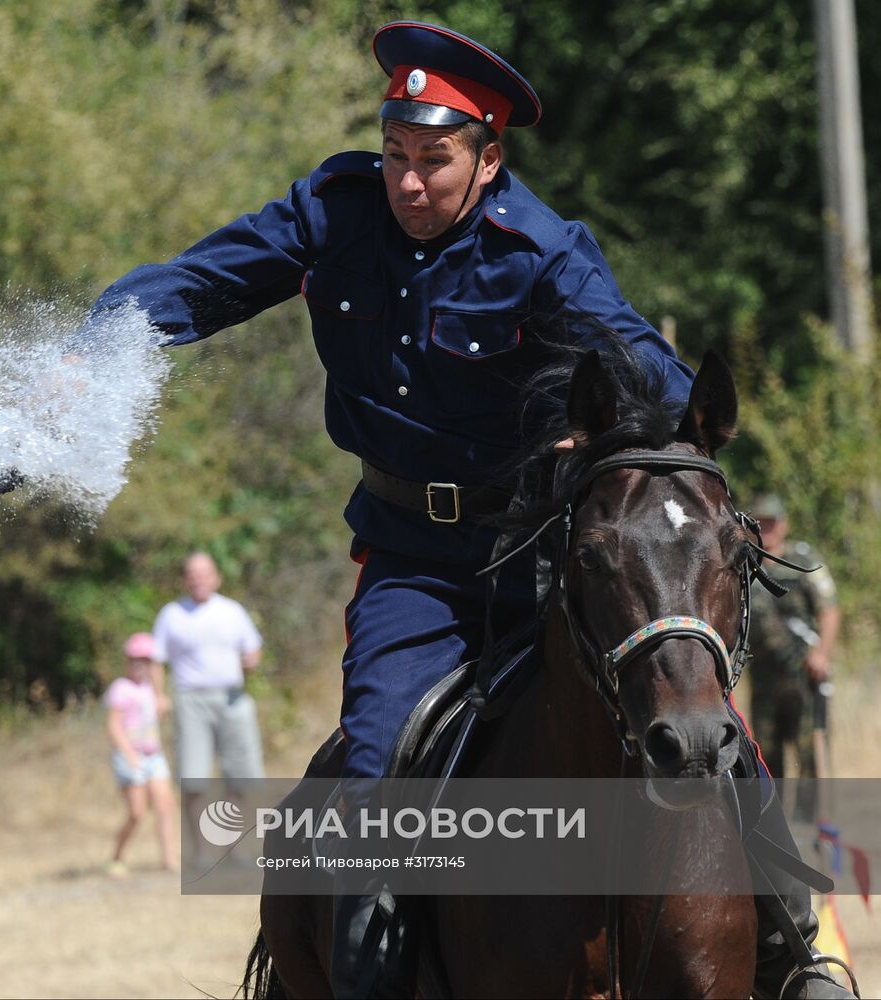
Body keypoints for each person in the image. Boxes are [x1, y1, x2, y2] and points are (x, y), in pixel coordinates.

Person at [82, 20, 852, 999]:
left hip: (547, 554)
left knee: (707, 726)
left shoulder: (540, 251)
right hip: (412, 563)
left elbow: (630, 351)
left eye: (433, 161)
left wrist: (675, 425)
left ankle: (801, 951)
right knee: (369, 765)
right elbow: (204, 281)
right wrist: (96, 343)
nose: (407, 182)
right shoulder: (331, 209)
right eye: (395, 154)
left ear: (488, 158)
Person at [150, 552, 264, 853]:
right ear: (184, 579)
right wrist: (159, 695)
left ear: (216, 577)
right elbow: (155, 659)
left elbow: (252, 649)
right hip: (191, 702)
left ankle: (231, 845)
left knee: (241, 776)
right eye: (192, 573)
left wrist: (251, 660)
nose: (198, 578)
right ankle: (201, 851)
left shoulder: (232, 611)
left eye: (204, 572)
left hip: (232, 698)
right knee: (193, 780)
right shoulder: (171, 614)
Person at [748, 493, 841, 819]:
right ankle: (775, 824)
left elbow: (829, 609)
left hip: (803, 677)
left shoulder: (802, 560)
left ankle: (811, 825)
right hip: (763, 682)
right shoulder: (747, 563)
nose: (767, 529)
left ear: (784, 524)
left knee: (808, 755)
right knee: (765, 756)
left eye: (772, 522)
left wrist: (822, 654)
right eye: (760, 522)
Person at [104, 632, 178, 875]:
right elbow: (114, 725)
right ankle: (117, 856)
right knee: (136, 812)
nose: (140, 665)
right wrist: (128, 754)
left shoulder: (152, 692)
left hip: (153, 756)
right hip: (130, 756)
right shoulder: (121, 689)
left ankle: (169, 861)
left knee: (165, 806)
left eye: (147, 661)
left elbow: (161, 709)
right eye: (135, 660)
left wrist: (160, 693)